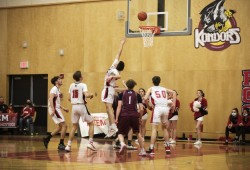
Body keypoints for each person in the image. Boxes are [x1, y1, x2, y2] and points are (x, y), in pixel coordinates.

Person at [144, 76, 176, 155]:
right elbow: (174, 92)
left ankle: (151, 148)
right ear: (160, 81)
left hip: (157, 108)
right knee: (165, 128)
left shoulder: (151, 88)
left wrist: (148, 106)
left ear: (152, 81)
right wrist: (174, 105)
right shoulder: (164, 89)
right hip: (165, 108)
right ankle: (167, 147)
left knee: (154, 129)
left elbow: (145, 98)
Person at [65, 71, 97, 152]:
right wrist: (91, 95)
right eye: (82, 75)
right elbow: (86, 95)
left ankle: (68, 146)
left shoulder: (71, 85)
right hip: (81, 106)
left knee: (74, 127)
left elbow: (69, 98)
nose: (83, 76)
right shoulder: (83, 85)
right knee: (91, 123)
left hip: (74, 107)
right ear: (80, 77)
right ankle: (90, 143)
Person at [101, 38, 126, 138]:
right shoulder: (114, 66)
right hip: (109, 88)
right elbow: (118, 54)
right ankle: (112, 127)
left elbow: (119, 77)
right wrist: (121, 44)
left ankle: (113, 126)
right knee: (108, 109)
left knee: (108, 108)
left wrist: (112, 77)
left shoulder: (115, 71)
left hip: (108, 89)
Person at [115, 79, 146, 156]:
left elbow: (119, 107)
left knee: (120, 133)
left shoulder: (122, 94)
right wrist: (140, 118)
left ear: (127, 86)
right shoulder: (137, 95)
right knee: (137, 133)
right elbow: (141, 108)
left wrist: (116, 118)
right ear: (134, 86)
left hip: (124, 115)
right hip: (134, 115)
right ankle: (142, 150)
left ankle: (122, 143)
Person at [43, 76, 69, 150]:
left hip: (56, 108)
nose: (61, 80)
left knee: (60, 127)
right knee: (65, 126)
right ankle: (61, 144)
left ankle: (47, 139)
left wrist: (63, 108)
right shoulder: (54, 89)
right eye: (59, 79)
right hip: (54, 109)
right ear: (56, 82)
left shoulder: (58, 89)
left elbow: (56, 102)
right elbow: (50, 99)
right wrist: (53, 110)